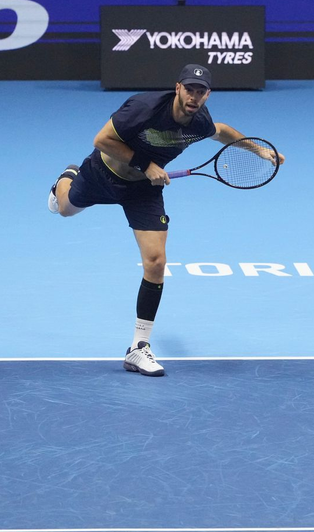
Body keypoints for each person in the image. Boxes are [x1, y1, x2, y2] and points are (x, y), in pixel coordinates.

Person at [47, 64, 284, 376]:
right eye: (190, 89)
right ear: (178, 88)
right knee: (64, 208)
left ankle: (138, 347)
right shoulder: (143, 108)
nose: (194, 96)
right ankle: (66, 176)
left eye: (201, 92)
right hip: (102, 173)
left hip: (143, 191)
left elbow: (222, 131)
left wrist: (257, 151)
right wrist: (146, 164)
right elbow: (101, 140)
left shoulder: (200, 121)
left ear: (207, 95)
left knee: (156, 262)